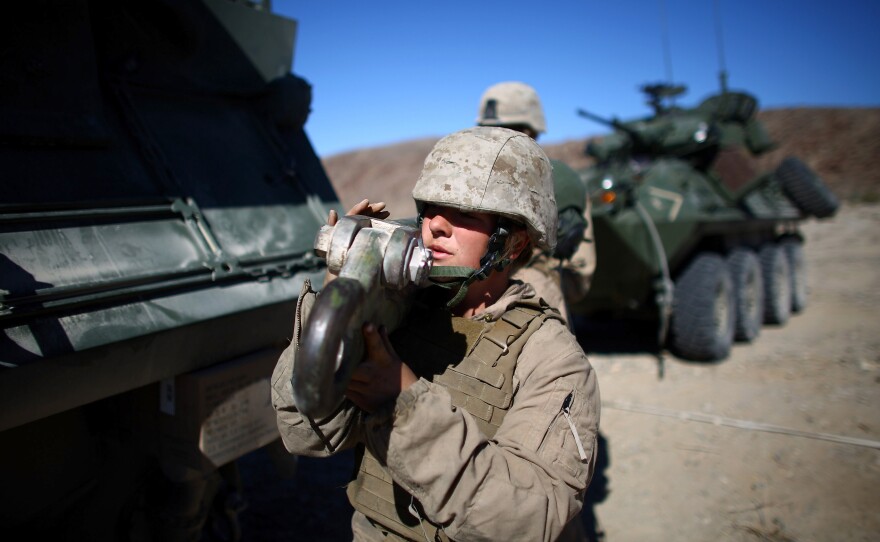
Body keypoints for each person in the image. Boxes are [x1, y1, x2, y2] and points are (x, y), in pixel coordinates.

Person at [272, 126, 600, 541]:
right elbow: (305, 436)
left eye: (466, 214)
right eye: (429, 208)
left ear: (514, 244)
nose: (436, 225)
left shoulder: (550, 357)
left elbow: (529, 519)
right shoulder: (399, 310)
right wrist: (345, 289)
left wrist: (401, 400)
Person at [476, 81, 596, 326]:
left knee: (528, 284)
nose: (498, 137)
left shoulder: (553, 176)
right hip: (502, 262)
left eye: (508, 129)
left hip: (556, 268)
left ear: (530, 132)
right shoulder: (483, 171)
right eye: (489, 130)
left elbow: (559, 245)